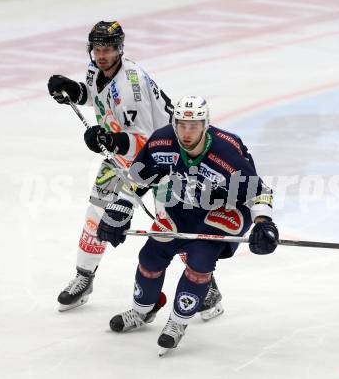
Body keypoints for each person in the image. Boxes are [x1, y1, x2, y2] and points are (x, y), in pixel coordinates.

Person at [47, 21, 224, 318]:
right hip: (122, 159)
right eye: (97, 49)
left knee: (171, 227)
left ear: (120, 49)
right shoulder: (97, 71)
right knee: (95, 215)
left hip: (165, 159)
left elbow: (146, 141)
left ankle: (209, 289)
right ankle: (84, 277)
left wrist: (110, 140)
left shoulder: (132, 85)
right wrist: (74, 91)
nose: (102, 55)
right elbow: (98, 98)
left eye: (109, 49)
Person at [96, 96, 278, 354]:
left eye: (193, 126)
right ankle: (142, 311)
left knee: (200, 260)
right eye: (181, 125)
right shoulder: (162, 141)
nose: (186, 132)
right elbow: (138, 176)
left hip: (226, 209)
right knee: (150, 255)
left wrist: (264, 223)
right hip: (185, 202)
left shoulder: (225, 152)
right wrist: (121, 207)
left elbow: (260, 191)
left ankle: (178, 322)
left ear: (205, 125)